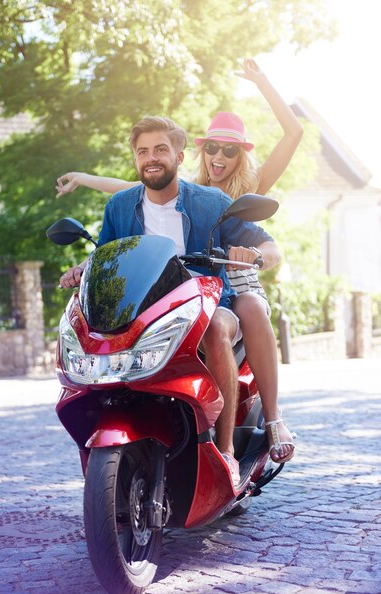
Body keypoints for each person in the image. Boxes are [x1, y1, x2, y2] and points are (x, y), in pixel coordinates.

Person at [56, 59, 301, 464]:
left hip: (213, 293)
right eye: (143, 151)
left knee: (234, 317)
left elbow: (267, 245)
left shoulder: (218, 201)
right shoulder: (123, 205)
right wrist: (85, 268)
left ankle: (226, 448)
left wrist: (254, 256)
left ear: (180, 155)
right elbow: (107, 251)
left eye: (160, 150)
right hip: (150, 302)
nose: (151, 158)